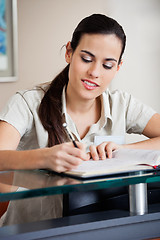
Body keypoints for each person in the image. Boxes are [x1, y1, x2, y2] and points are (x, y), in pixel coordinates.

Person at [0, 13, 160, 225]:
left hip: (97, 227)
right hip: (31, 230)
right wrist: (44, 158)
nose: (94, 72)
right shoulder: (28, 102)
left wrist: (120, 152)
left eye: (108, 65)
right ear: (69, 52)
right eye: (86, 59)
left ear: (118, 67)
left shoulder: (122, 103)